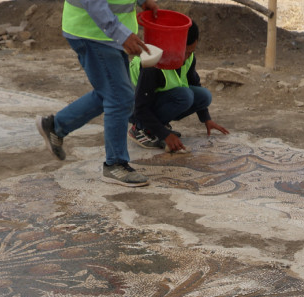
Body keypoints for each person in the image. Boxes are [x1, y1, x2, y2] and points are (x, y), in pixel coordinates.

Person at [37, 0, 160, 187]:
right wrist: (122, 34)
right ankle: (115, 164)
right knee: (119, 97)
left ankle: (56, 126)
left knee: (110, 93)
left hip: (109, 34)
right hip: (93, 33)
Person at [129, 21, 228, 152]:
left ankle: (157, 126)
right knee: (184, 96)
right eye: (185, 52)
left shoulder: (189, 58)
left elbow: (194, 84)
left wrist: (206, 119)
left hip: (154, 102)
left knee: (204, 96)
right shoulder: (153, 64)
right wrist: (165, 135)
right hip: (133, 108)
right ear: (173, 46)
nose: (187, 58)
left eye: (191, 52)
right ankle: (140, 129)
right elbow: (140, 108)